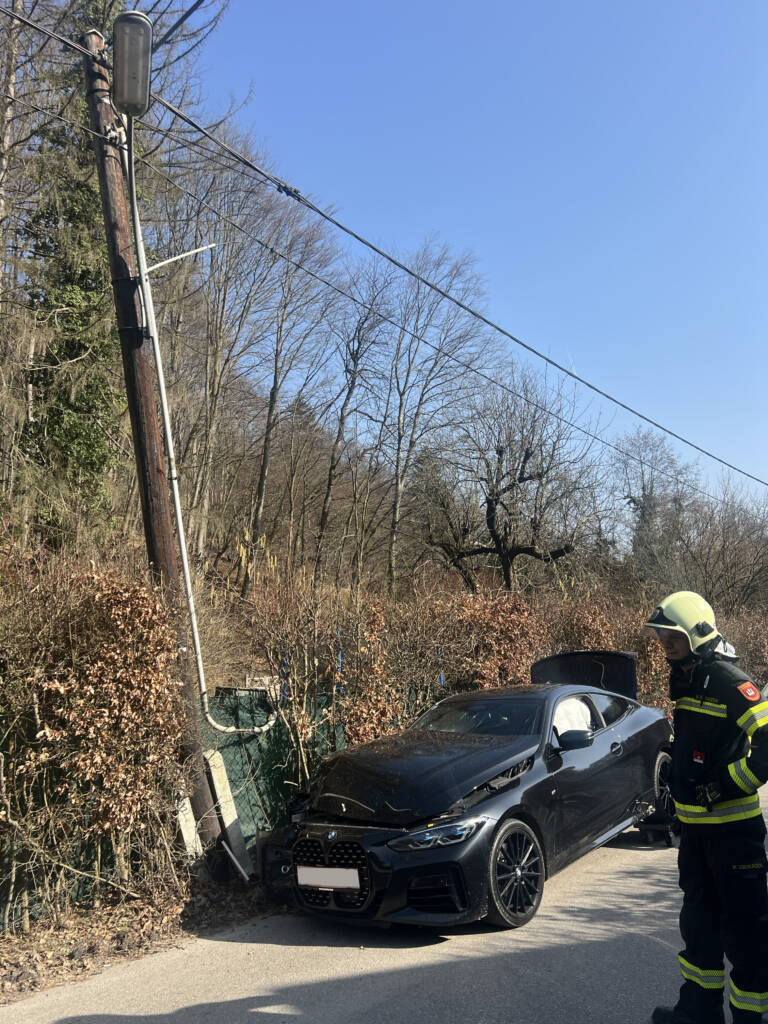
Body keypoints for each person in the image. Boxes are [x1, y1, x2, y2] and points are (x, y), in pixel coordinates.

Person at [644, 591, 768, 1024]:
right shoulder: (689, 679)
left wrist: (725, 785)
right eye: (662, 637)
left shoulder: (731, 681)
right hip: (696, 838)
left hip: (735, 839)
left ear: (696, 634)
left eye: (671, 637)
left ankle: (750, 1019)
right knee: (698, 930)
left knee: (746, 936)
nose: (664, 644)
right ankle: (697, 1013)